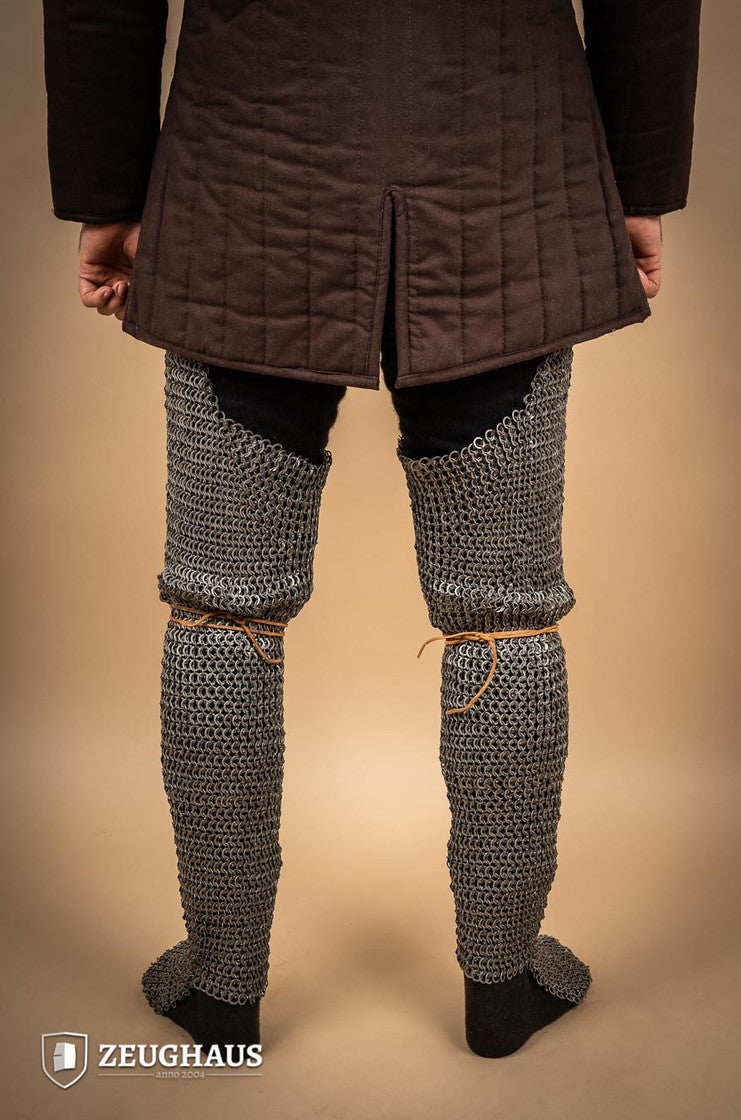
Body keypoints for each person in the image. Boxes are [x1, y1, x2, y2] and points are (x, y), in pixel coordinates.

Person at [42, 0, 701, 1060]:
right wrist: (634, 187)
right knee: (505, 615)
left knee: (221, 606)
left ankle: (219, 986)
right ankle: (504, 979)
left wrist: (108, 193)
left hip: (247, 170)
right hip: (506, 164)